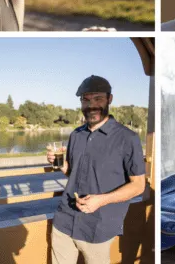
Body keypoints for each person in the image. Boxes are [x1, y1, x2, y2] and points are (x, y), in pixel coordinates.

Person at [46, 75, 146, 264]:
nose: (91, 105)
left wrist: (101, 200)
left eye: (98, 99)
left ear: (110, 99)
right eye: (86, 99)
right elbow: (72, 172)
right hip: (64, 220)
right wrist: (59, 164)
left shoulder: (128, 138)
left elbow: (138, 186)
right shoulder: (76, 134)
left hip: (98, 227)